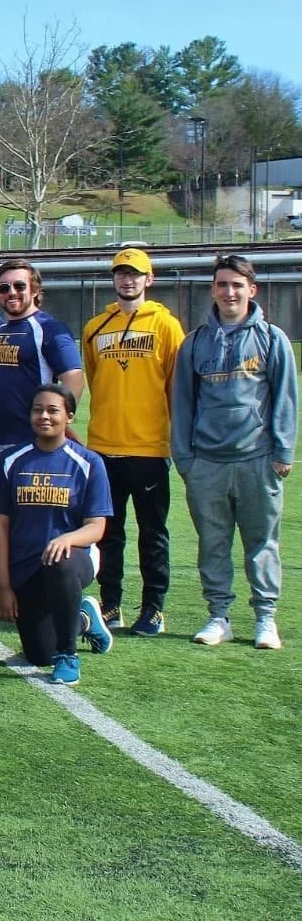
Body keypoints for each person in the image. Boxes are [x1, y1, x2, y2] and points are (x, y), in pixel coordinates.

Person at [172, 254, 296, 651]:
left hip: (257, 459)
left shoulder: (272, 338)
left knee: (262, 543)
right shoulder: (195, 343)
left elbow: (285, 399)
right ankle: (218, 616)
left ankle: (265, 618)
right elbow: (182, 403)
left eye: (237, 285)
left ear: (251, 290)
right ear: (213, 290)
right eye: (222, 284)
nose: (230, 292)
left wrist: (282, 451)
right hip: (207, 463)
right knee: (213, 544)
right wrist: (185, 459)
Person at [81, 248, 185, 635]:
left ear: (149, 279)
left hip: (149, 449)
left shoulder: (166, 326)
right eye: (122, 273)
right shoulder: (95, 327)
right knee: (109, 532)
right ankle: (111, 605)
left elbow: (176, 387)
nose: (128, 280)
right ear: (113, 278)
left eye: (135, 274)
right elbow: (96, 380)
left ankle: (153, 608)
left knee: (152, 533)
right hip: (104, 447)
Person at [0, 384, 114, 686]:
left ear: (69, 416)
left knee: (60, 562)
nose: (44, 416)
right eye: (38, 410)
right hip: (26, 568)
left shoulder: (88, 462)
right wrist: (4, 588)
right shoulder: (10, 461)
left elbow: (97, 526)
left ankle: (69, 655)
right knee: (39, 654)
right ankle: (84, 617)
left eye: (52, 410)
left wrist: (67, 539)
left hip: (72, 561)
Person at [0, 259, 84, 483]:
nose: (11, 293)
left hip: (30, 440)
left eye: (19, 286)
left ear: (35, 290)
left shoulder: (49, 328)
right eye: (4, 288)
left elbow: (73, 377)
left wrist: (57, 424)